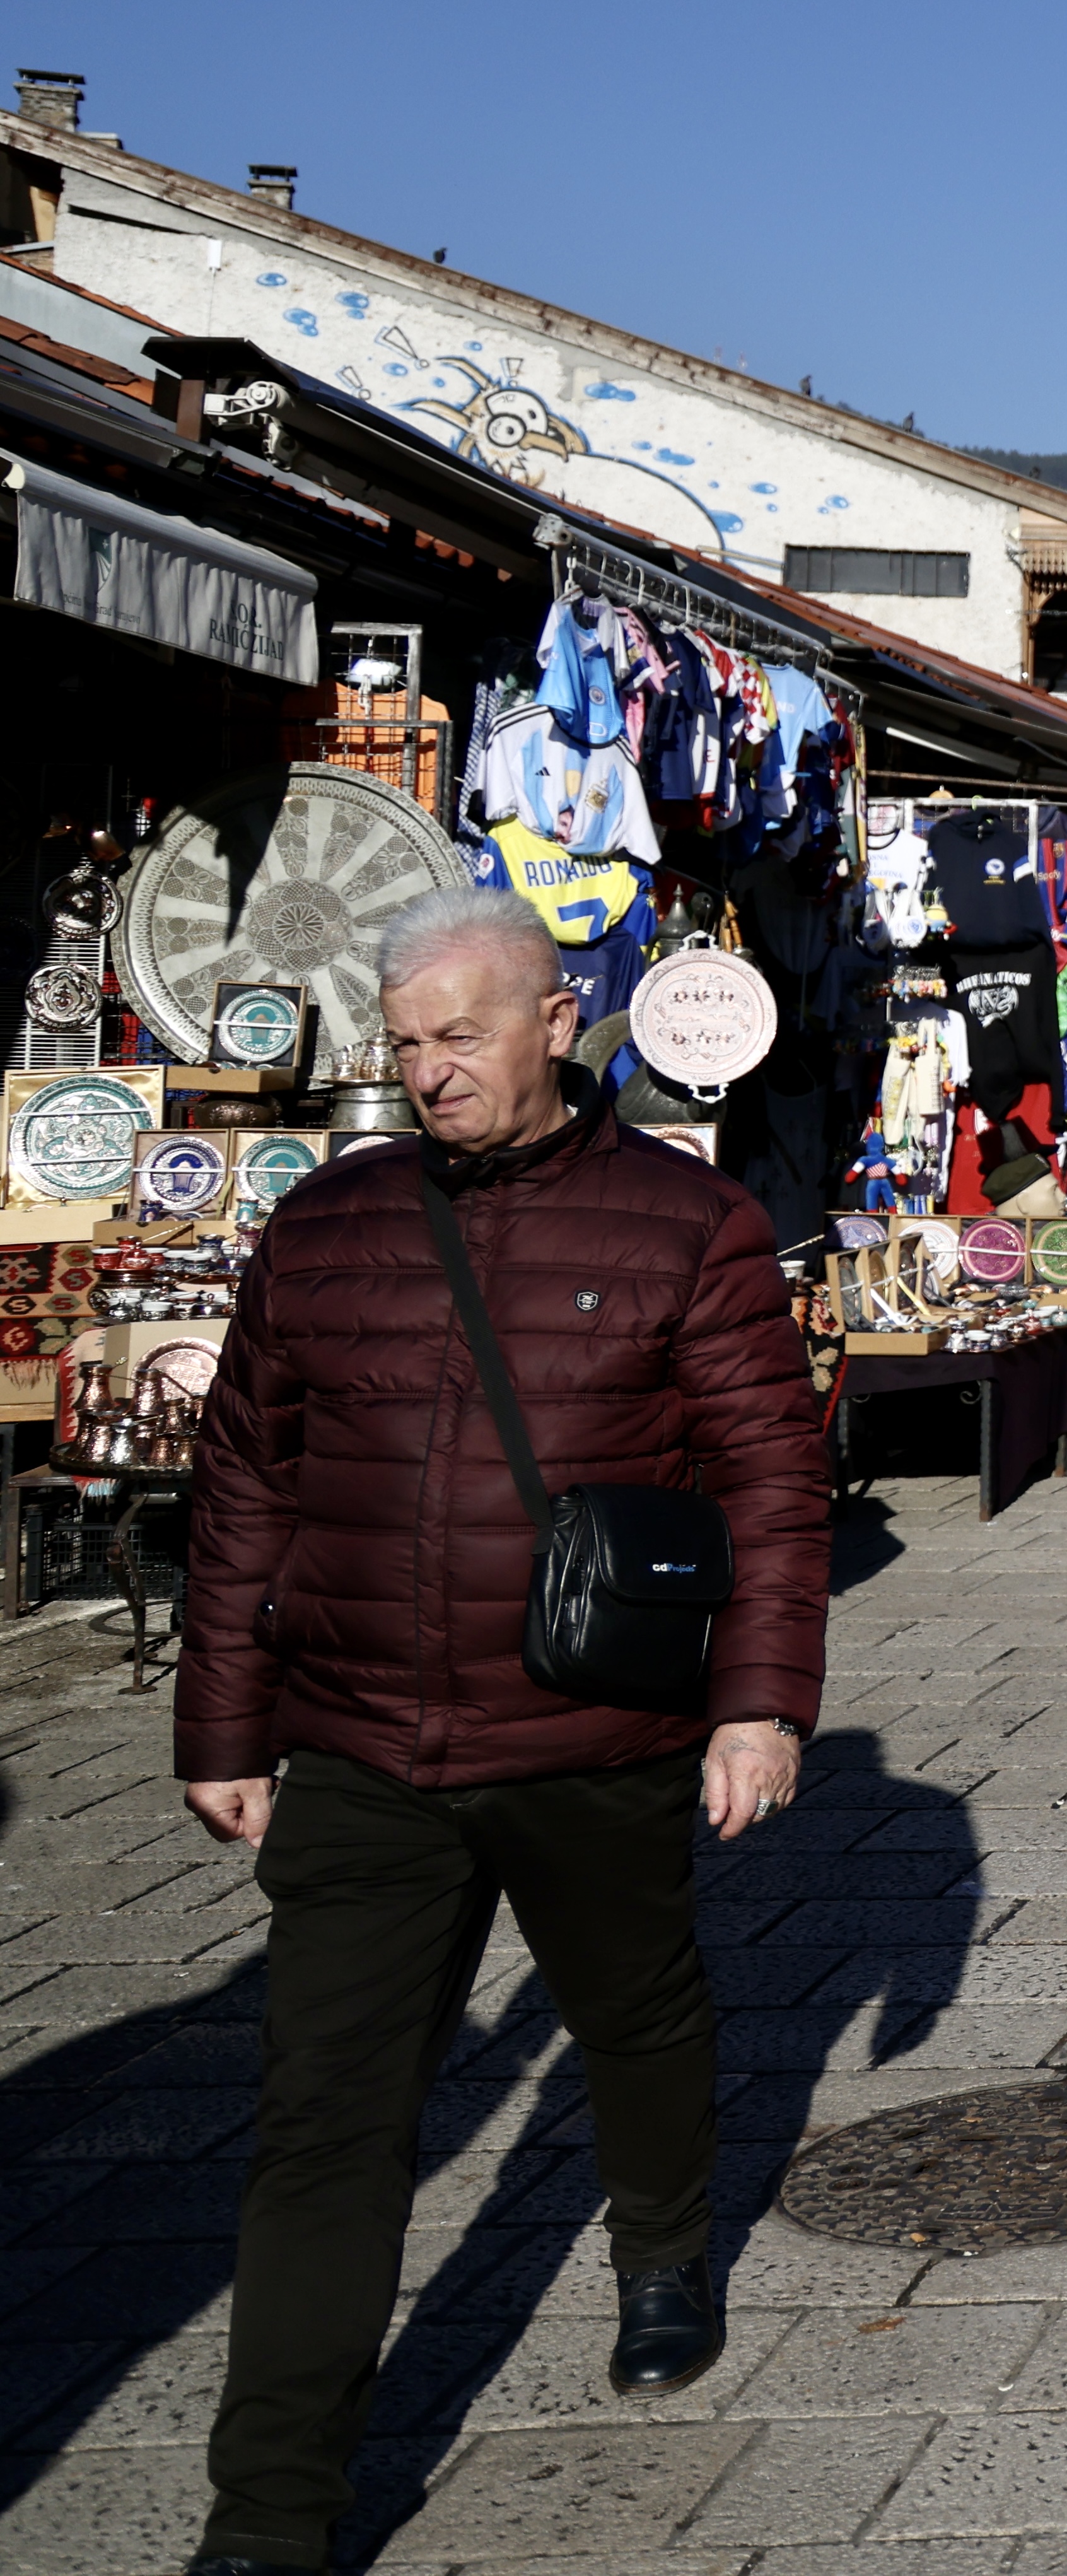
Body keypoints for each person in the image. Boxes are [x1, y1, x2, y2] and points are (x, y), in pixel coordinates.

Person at [172, 887, 832, 2571]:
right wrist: (222, 1719)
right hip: (363, 1745)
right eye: (405, 1044)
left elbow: (770, 1478)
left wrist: (758, 1704)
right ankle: (270, 2515)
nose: (429, 1073)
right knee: (325, 2120)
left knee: (632, 2009)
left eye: (459, 1037)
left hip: (589, 1727)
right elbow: (244, 1481)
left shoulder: (689, 1222)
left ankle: (663, 2247)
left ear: (554, 1023)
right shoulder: (325, 1223)